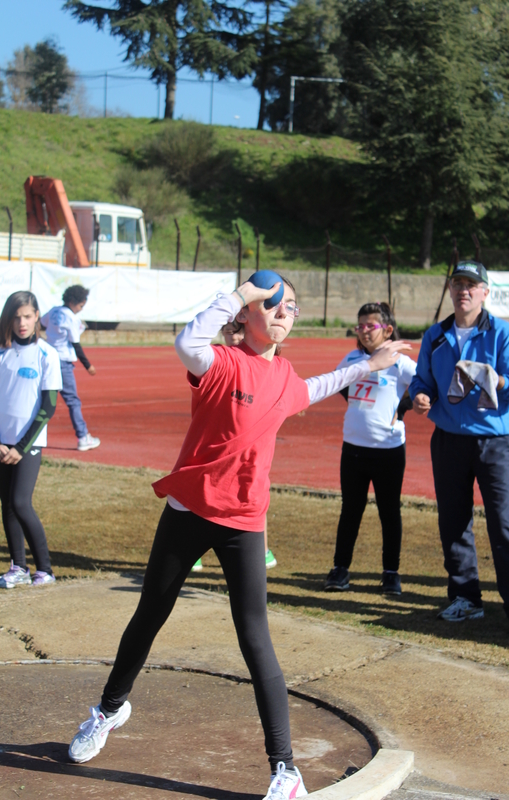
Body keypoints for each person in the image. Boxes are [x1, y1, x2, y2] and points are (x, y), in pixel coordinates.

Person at [67, 274, 409, 798]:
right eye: (272, 305)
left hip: (245, 519)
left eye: (290, 308)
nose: (282, 313)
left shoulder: (285, 374)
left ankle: (285, 771)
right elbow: (187, 342)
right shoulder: (221, 361)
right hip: (189, 508)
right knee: (150, 614)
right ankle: (110, 711)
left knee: (255, 637)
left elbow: (314, 389)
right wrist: (245, 290)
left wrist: (370, 365)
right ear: (247, 313)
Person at [409, 261, 509, 638]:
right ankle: (466, 598)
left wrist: (500, 380)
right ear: (450, 289)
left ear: (485, 292)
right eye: (458, 283)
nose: (464, 290)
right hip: (448, 440)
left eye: (472, 285)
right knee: (453, 520)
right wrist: (420, 396)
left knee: (503, 523)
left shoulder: (505, 334)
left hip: (494, 442)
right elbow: (420, 379)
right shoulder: (436, 335)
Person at [324, 302, 416, 596]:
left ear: (387, 330)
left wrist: (401, 408)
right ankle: (340, 569)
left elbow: (424, 385)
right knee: (350, 510)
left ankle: (391, 573)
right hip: (353, 448)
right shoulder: (352, 358)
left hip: (388, 450)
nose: (364, 331)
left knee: (389, 512)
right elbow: (340, 384)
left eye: (370, 326)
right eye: (360, 326)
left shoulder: (399, 361)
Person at [191, 318, 277, 573]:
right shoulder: (220, 360)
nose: (235, 338)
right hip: (216, 441)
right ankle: (191, 548)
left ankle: (261, 550)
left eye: (239, 333)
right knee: (202, 487)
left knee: (255, 491)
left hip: (251, 447)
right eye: (229, 333)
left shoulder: (264, 365)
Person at [0, 291, 62, 589]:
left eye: (27, 316)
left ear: (37, 318)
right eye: (16, 317)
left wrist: (20, 448)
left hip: (27, 444)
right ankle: (18, 567)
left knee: (21, 503)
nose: (22, 323)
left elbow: (48, 406)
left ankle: (45, 570)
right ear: (8, 320)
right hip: (0, 444)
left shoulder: (47, 354)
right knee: (7, 505)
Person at [41, 285, 100, 452]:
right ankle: (82, 437)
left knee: (43, 399)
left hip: (48, 359)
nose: (81, 310)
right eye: (81, 306)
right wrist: (88, 365)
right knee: (73, 401)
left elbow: (42, 323)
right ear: (73, 302)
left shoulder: (54, 311)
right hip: (63, 362)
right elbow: (75, 344)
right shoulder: (71, 318)